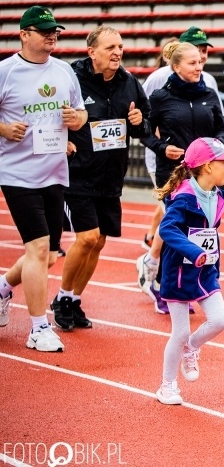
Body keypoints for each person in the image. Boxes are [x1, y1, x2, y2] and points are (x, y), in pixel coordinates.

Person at [0, 5, 87, 352]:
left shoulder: (64, 71)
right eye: (45, 30)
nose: (53, 35)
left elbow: (81, 113)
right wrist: (4, 128)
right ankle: (38, 328)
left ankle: (3, 289)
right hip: (18, 173)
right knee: (36, 248)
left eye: (56, 31)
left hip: (55, 172)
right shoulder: (6, 71)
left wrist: (76, 120)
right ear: (24, 34)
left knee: (49, 254)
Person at [52, 25, 150, 331]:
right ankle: (62, 298)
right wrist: (61, 141)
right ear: (92, 51)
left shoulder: (129, 82)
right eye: (110, 48)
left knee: (99, 242)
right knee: (87, 237)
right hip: (78, 174)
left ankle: (74, 299)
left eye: (120, 47)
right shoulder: (71, 79)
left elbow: (143, 123)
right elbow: (50, 116)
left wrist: (139, 121)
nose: (118, 53)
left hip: (110, 177)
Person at [137, 42, 224, 314]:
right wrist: (161, 147)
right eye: (192, 63)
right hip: (174, 173)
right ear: (175, 67)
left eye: (200, 61)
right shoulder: (160, 97)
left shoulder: (209, 95)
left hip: (206, 174)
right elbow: (143, 131)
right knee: (176, 230)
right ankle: (166, 288)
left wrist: (217, 148)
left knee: (201, 230)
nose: (199, 66)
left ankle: (185, 282)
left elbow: (222, 131)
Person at [154, 137, 224, 405]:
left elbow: (209, 232)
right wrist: (193, 251)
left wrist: (211, 259)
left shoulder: (218, 196)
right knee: (178, 332)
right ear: (206, 167)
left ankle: (191, 347)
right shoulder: (183, 198)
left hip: (206, 270)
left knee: (220, 320)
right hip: (179, 271)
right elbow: (167, 229)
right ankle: (167, 386)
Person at [141, 39, 180, 252]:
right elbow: (145, 114)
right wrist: (160, 141)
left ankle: (151, 238)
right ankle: (155, 255)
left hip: (187, 155)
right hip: (161, 155)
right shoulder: (157, 78)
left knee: (171, 203)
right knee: (169, 204)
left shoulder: (203, 80)